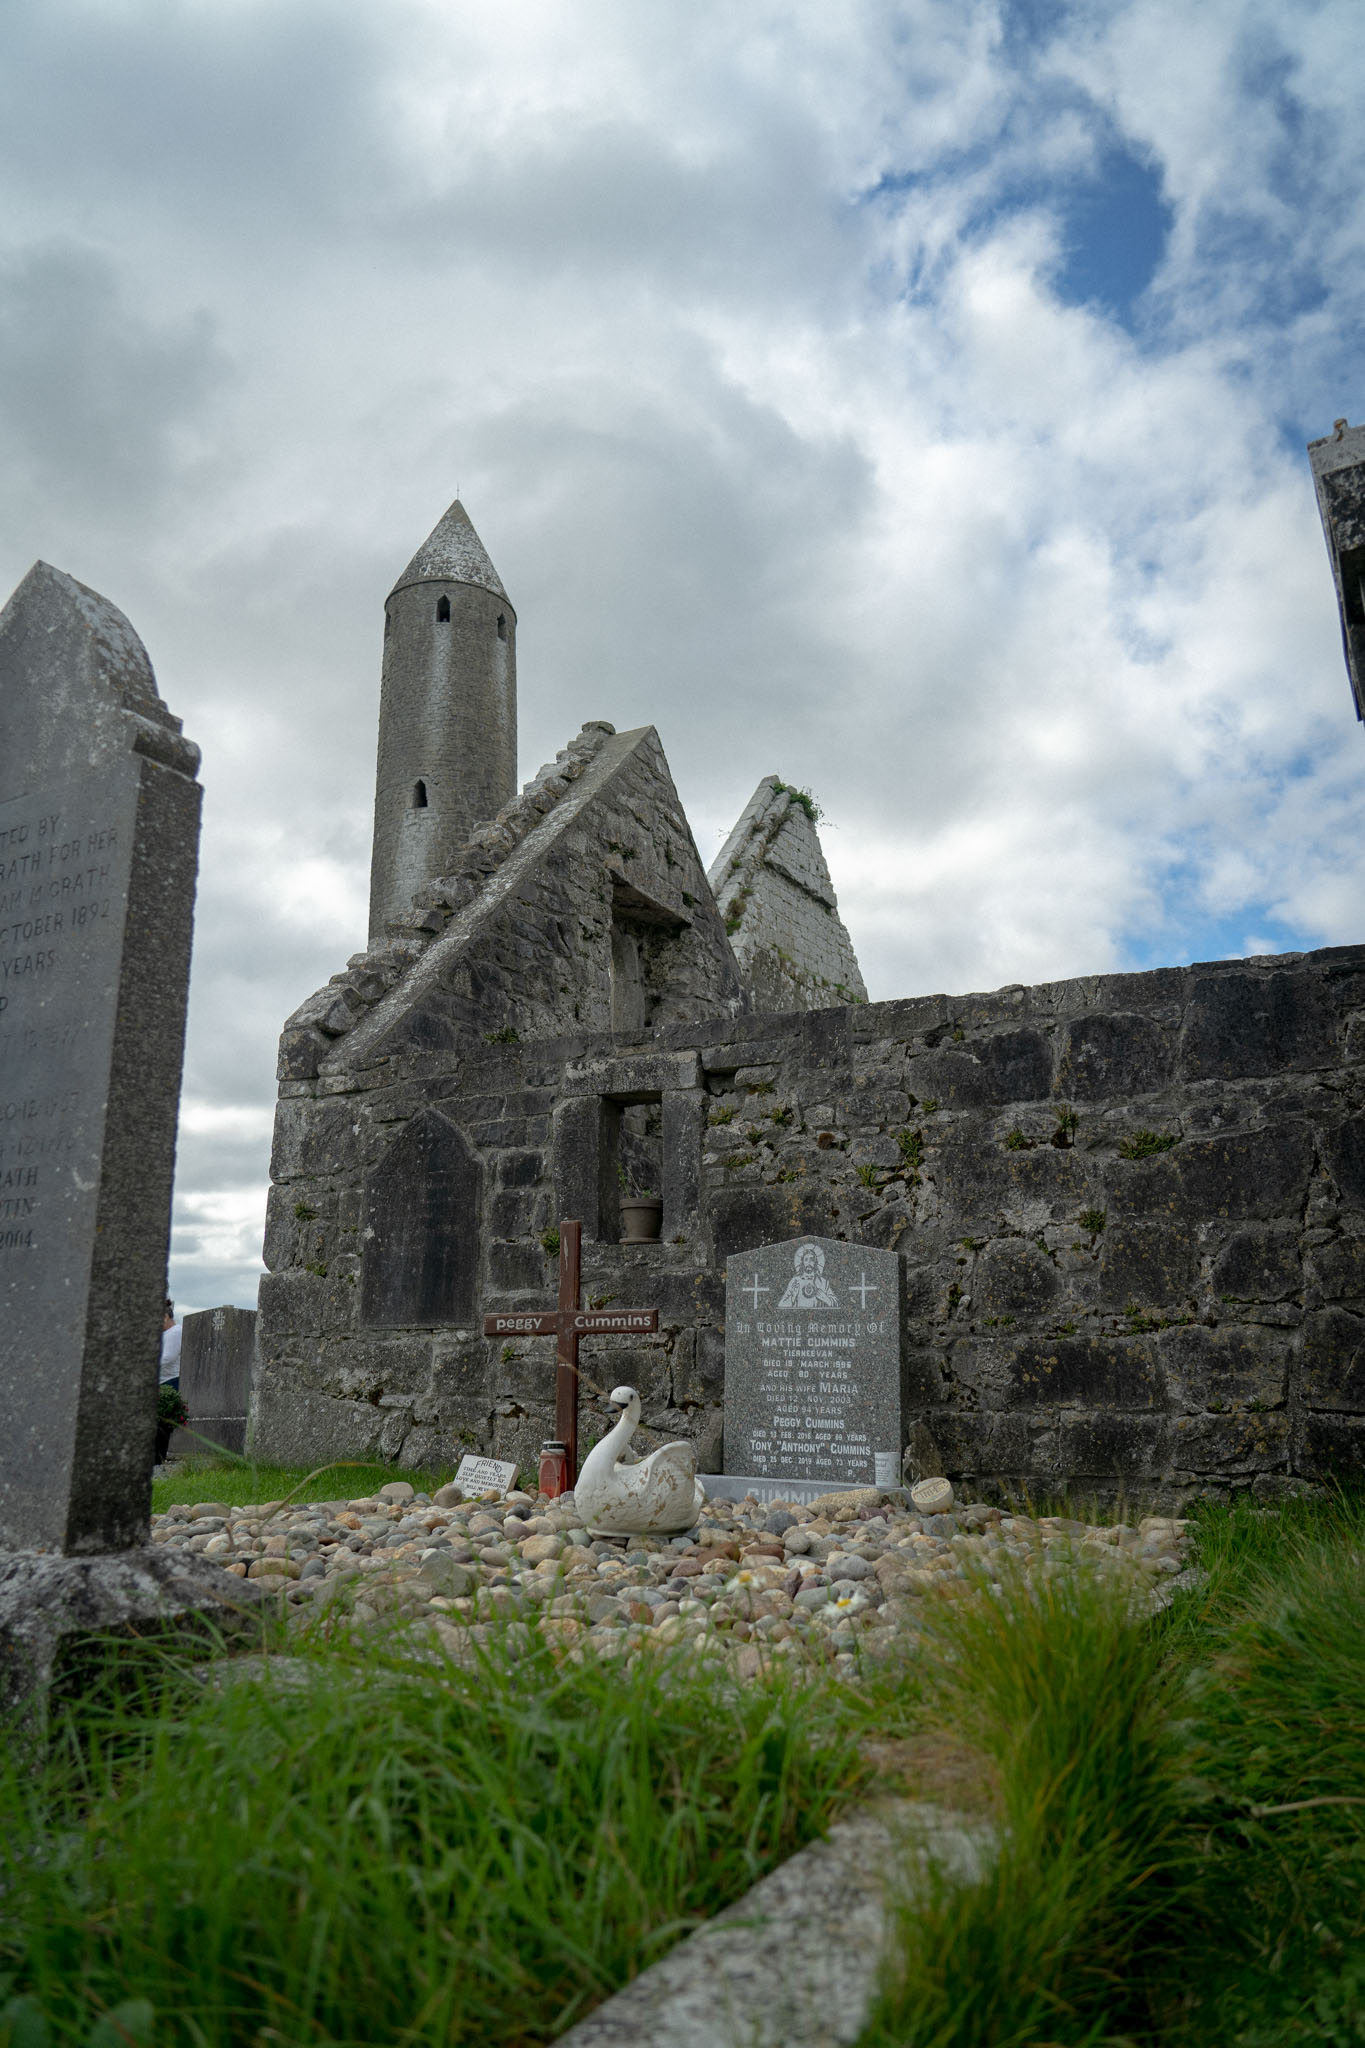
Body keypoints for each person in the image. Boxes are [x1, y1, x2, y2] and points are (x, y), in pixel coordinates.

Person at [777, 1241, 839, 1310]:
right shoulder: (795, 1281)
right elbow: (781, 1305)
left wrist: (825, 1298)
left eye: (812, 1259)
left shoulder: (823, 1282)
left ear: (815, 1262)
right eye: (806, 1259)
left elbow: (836, 1304)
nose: (809, 1262)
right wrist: (793, 1296)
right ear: (802, 1262)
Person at [159, 1298, 182, 1390]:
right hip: (164, 1381)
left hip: (171, 1381)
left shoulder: (176, 1331)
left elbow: (168, 1357)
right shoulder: (166, 1333)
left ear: (165, 1317)